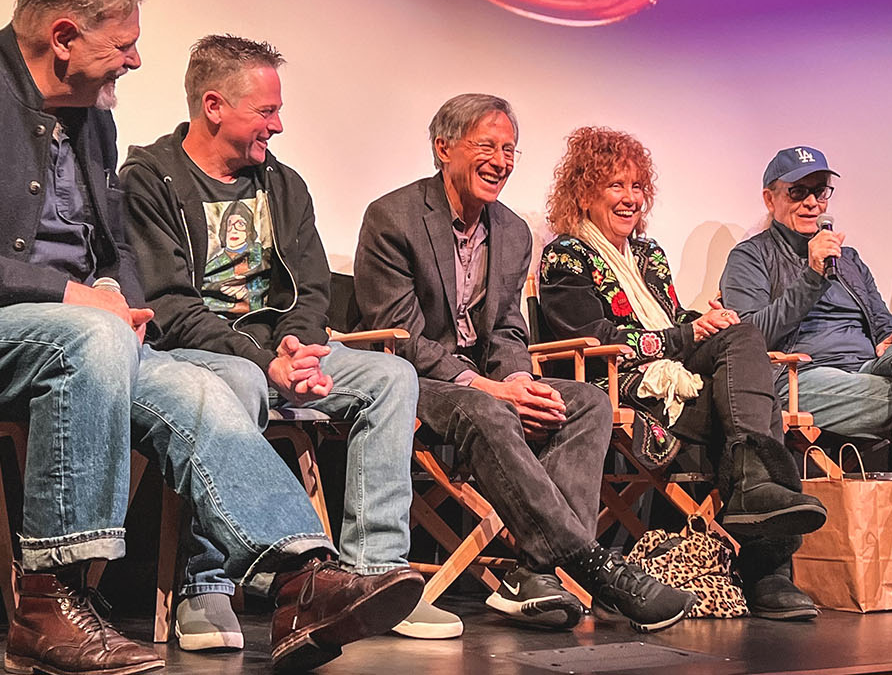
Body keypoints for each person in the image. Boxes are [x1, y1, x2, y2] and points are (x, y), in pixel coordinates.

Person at [0, 0, 419, 674]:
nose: (135, 59)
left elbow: (114, 247)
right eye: (122, 44)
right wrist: (71, 297)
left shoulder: (92, 121)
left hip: (74, 344)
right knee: (88, 334)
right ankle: (50, 604)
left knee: (199, 384)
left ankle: (300, 579)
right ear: (63, 37)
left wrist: (124, 304)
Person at [122, 34, 457, 644]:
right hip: (193, 355)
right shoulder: (151, 178)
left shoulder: (284, 184)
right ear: (214, 105)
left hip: (277, 353)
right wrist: (263, 360)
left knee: (390, 377)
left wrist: (298, 347)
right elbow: (166, 303)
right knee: (238, 380)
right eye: (266, 111)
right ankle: (208, 587)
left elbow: (310, 288)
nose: (278, 124)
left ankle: (373, 576)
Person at [354, 94, 696, 632]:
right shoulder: (392, 217)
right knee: (482, 409)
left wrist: (517, 378)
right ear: (444, 148)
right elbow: (402, 337)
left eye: (510, 149)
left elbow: (510, 327)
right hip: (415, 380)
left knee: (586, 402)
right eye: (486, 146)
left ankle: (535, 576)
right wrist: (490, 390)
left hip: (486, 379)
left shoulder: (512, 231)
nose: (501, 160)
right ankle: (595, 565)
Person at [536, 126, 828, 620]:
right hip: (618, 386)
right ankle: (768, 572)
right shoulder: (565, 256)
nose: (630, 199)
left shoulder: (649, 255)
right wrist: (691, 335)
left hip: (670, 373)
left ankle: (757, 496)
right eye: (615, 186)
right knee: (760, 408)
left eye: (636, 187)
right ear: (585, 192)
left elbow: (671, 325)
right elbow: (598, 337)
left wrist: (703, 324)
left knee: (742, 337)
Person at [720, 145, 892, 613]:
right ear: (770, 198)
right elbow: (750, 337)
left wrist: (891, 339)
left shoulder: (849, 259)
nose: (812, 203)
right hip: (800, 380)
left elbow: (883, 325)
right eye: (798, 192)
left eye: (820, 192)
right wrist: (808, 275)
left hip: (865, 372)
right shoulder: (750, 257)